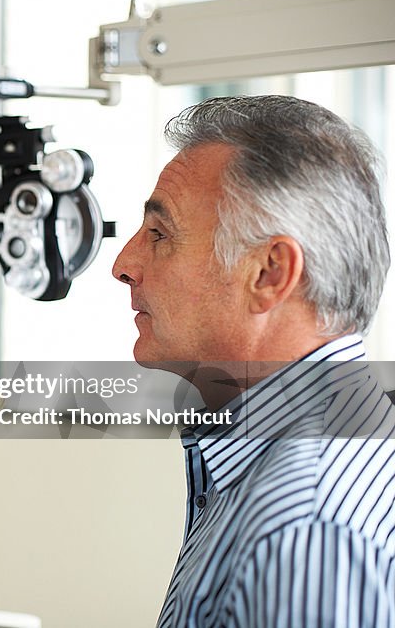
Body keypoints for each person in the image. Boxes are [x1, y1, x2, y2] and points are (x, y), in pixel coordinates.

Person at [112, 95, 394, 626]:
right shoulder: (279, 453)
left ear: (269, 273)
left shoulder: (305, 533)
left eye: (159, 234)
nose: (123, 264)